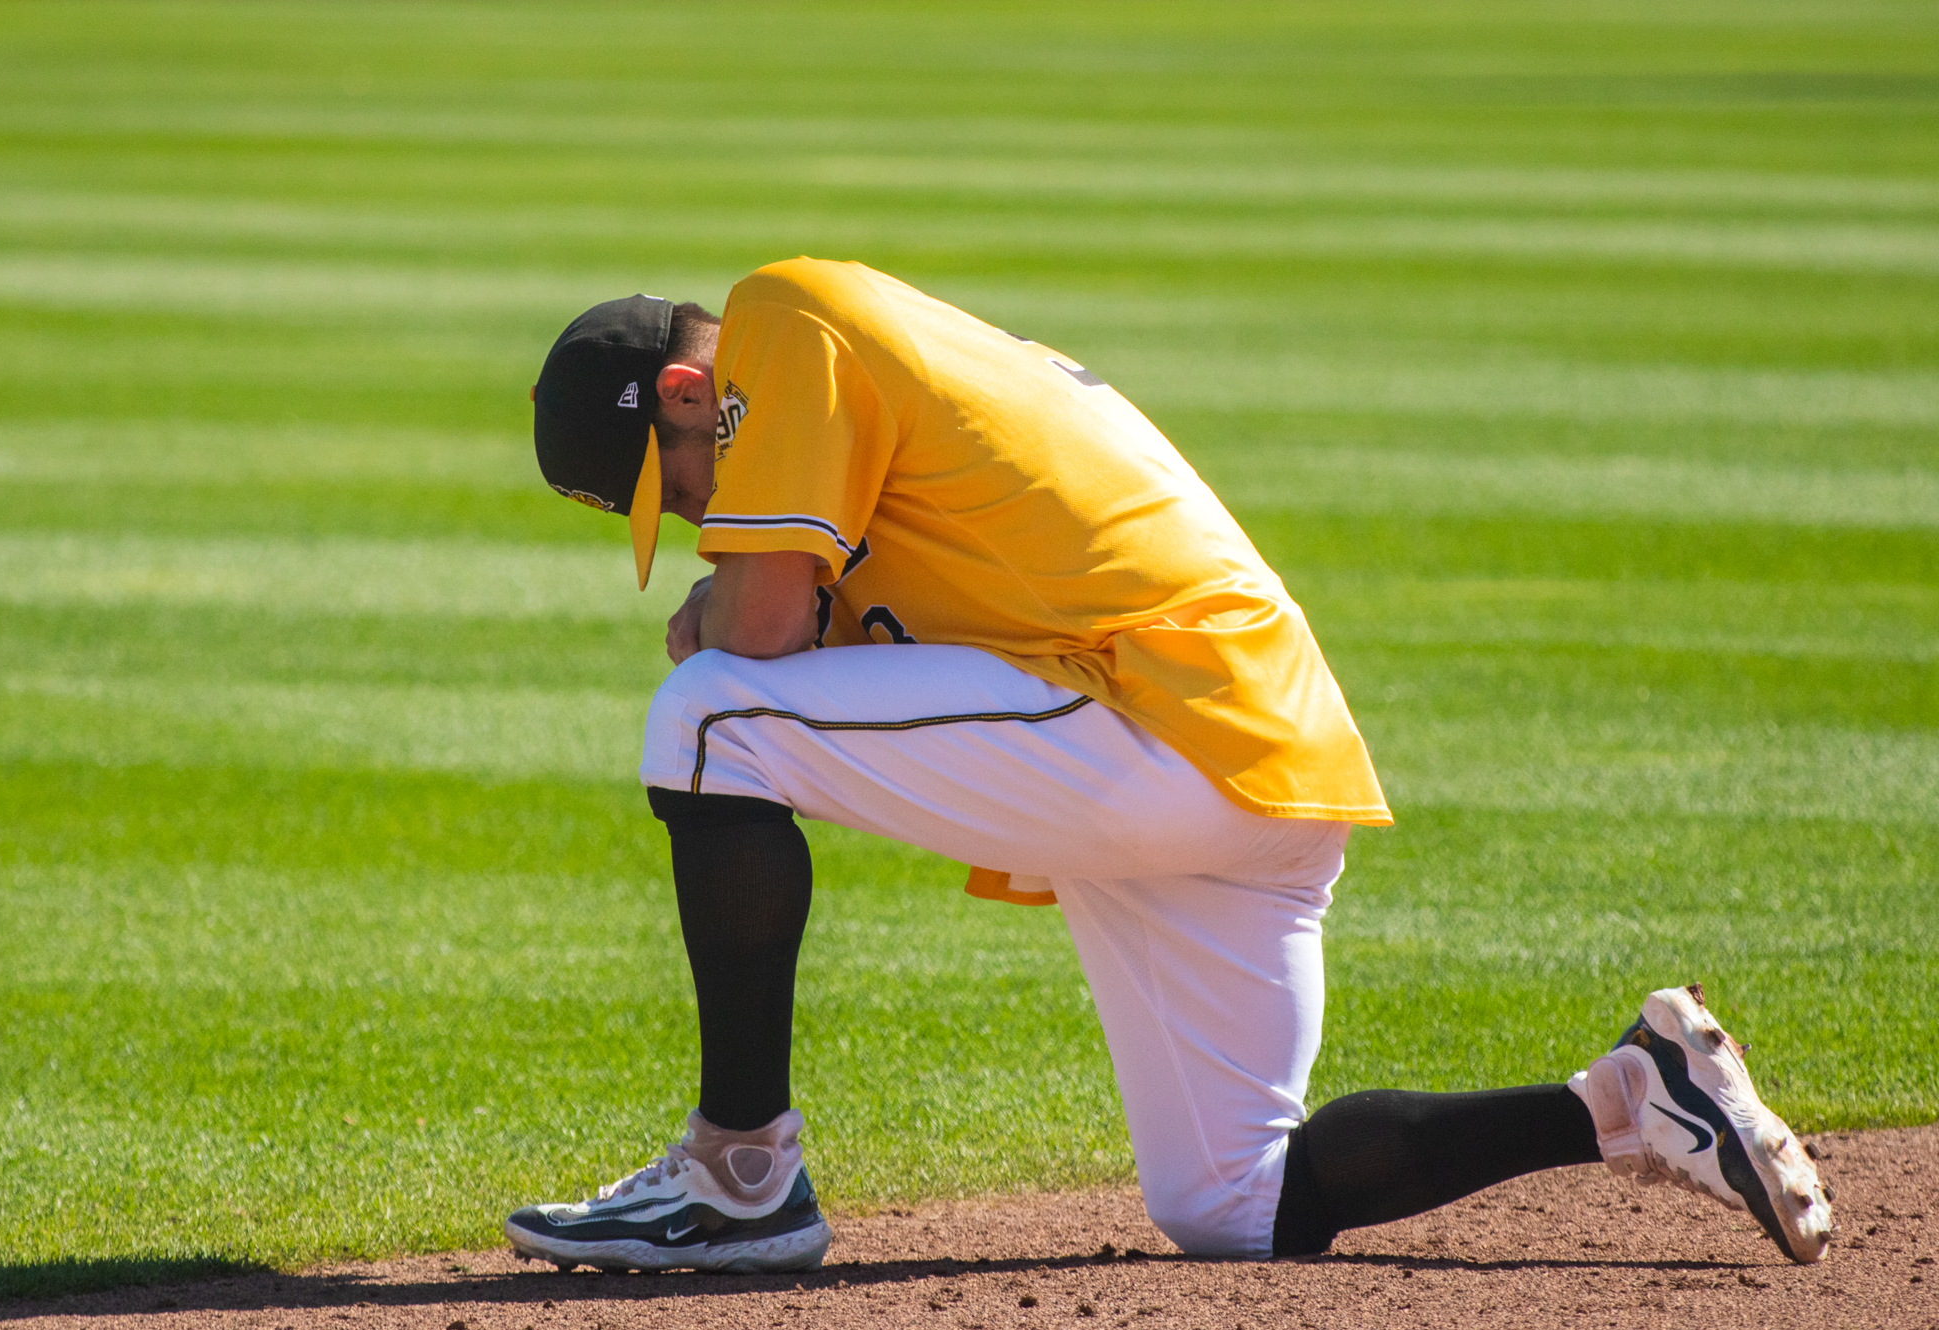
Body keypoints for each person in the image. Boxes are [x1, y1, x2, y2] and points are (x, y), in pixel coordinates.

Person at [503, 258, 1834, 1274]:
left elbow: (765, 627)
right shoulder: (859, 423)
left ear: (688, 394)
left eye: (670, 487)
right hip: (1251, 767)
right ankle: (1628, 1098)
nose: (690, 521)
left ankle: (739, 1172)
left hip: (1159, 713)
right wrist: (733, 613)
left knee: (705, 713)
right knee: (1233, 1205)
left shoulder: (783, 318)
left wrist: (714, 619)